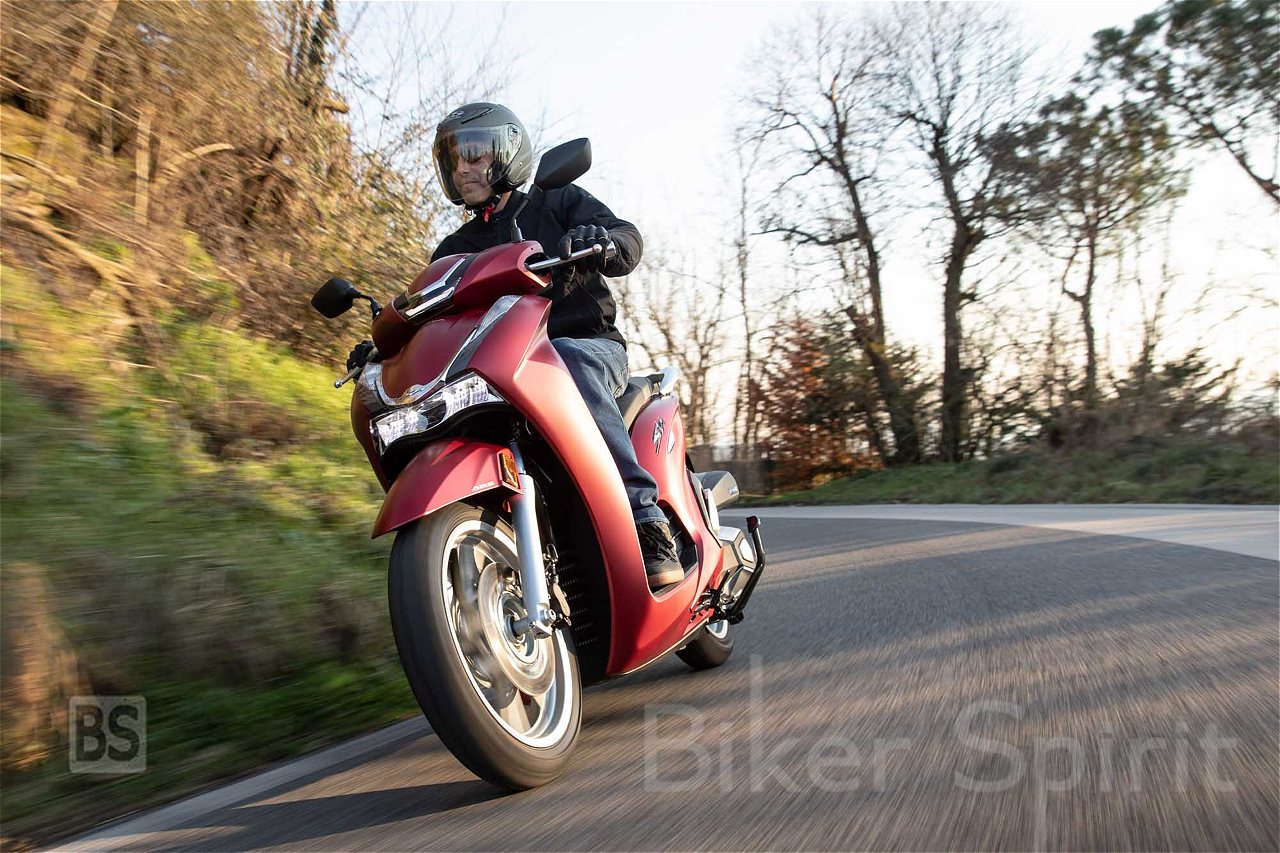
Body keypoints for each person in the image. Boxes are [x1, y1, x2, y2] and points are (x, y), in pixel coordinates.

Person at [429, 102, 683, 590]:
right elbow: (425, 309)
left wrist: (603, 241)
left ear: (507, 153)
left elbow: (628, 238)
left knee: (564, 359)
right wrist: (384, 343)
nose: (463, 168)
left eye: (475, 154)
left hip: (586, 347)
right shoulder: (452, 249)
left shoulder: (556, 202)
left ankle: (646, 521)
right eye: (454, 159)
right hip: (500, 372)